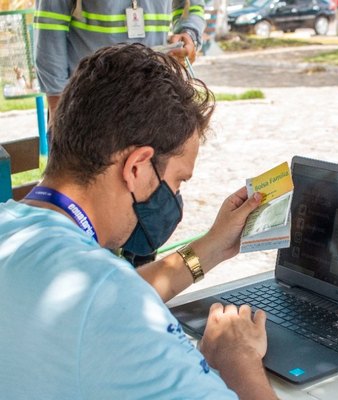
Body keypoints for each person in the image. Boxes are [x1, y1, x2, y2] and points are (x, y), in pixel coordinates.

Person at [0, 43, 278, 400]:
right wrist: (238, 360)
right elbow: (111, 303)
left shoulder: (15, 230)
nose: (175, 198)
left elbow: (102, 299)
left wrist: (212, 246)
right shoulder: (111, 305)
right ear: (136, 167)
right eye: (178, 181)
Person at [34, 0, 206, 118]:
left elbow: (192, 5)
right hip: (89, 107)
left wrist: (189, 32)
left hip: (154, 98)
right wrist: (58, 112)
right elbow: (49, 31)